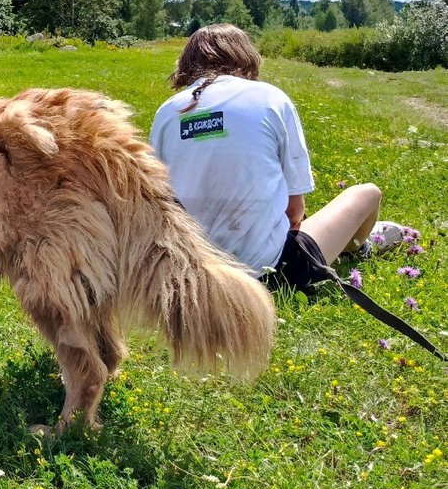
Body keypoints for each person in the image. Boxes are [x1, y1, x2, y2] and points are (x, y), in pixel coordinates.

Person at [149, 23, 392, 292]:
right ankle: (358, 248)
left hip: (194, 277)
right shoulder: (269, 98)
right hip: (271, 273)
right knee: (367, 193)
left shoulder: (167, 113)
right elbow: (294, 212)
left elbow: (160, 205)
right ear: (244, 59)